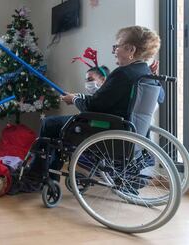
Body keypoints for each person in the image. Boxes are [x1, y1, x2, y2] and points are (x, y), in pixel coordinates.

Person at [31, 26, 161, 181]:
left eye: (117, 46)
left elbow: (93, 106)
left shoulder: (123, 73)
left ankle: (36, 177)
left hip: (107, 129)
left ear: (131, 49)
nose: (114, 51)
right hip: (132, 131)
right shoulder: (146, 74)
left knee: (49, 124)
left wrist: (74, 99)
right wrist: (78, 97)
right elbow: (160, 98)